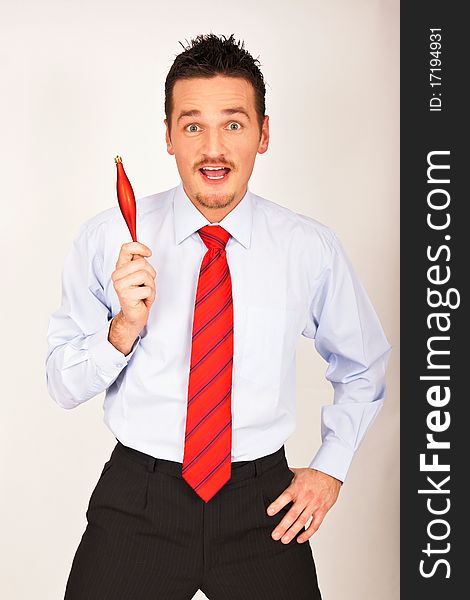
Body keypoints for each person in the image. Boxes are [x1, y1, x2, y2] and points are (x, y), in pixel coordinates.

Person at [46, 33, 392, 600]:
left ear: (263, 134)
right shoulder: (109, 237)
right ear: (168, 137)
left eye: (233, 124)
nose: (213, 149)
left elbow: (362, 365)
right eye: (192, 126)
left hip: (262, 506)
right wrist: (122, 330)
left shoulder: (308, 248)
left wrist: (330, 468)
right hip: (140, 500)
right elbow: (61, 384)